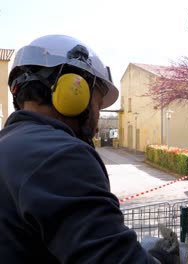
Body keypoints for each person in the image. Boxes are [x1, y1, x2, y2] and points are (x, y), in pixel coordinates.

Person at [0, 35, 176, 263]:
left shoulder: (9, 145)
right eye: (99, 103)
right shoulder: (61, 156)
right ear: (75, 90)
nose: (98, 116)